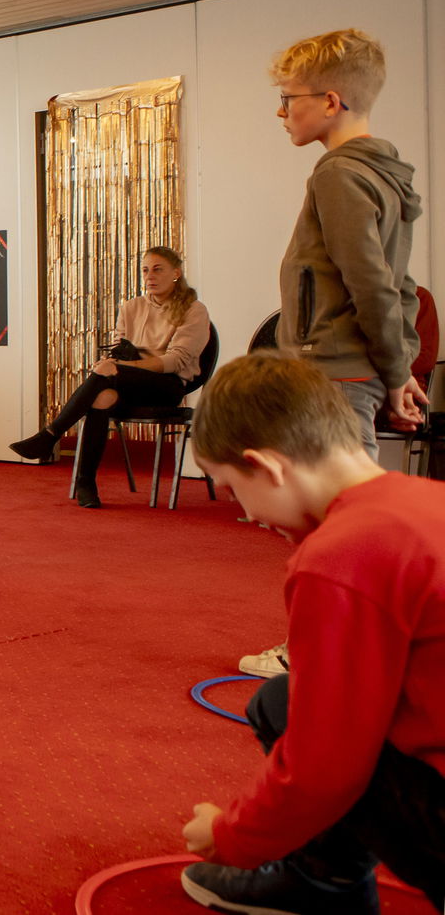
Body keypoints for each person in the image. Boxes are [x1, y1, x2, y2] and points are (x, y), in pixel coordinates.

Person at [177, 353, 444, 914]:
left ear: (268, 468)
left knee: (289, 710)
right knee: (281, 696)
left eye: (232, 490)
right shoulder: (429, 501)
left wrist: (231, 835)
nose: (247, 514)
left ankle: (323, 884)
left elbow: (325, 768)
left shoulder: (340, 554)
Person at [242, 28, 423, 681]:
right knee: (348, 512)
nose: (282, 111)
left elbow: (373, 283)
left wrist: (396, 369)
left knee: (336, 519)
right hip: (355, 367)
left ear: (332, 99)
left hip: (334, 368)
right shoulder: (384, 172)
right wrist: (399, 371)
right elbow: (399, 287)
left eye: (288, 98)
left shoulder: (339, 175)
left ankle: (322, 649)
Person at [9, 247, 210, 507]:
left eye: (158, 269)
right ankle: (86, 483)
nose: (150, 276)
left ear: (176, 274)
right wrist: (114, 364)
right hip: (125, 381)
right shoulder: (131, 307)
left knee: (107, 375)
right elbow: (119, 347)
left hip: (168, 386)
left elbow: (177, 360)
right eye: (145, 270)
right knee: (101, 397)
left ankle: (51, 435)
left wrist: (122, 367)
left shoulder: (194, 310)